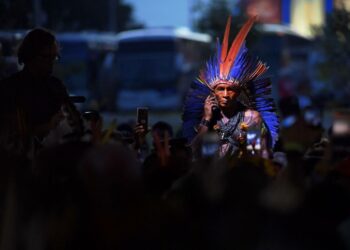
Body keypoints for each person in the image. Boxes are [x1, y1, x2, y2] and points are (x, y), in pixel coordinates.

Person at [182, 16, 279, 159]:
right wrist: (207, 119)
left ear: (238, 92)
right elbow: (192, 152)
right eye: (221, 89)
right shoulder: (205, 118)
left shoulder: (251, 117)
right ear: (213, 92)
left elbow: (256, 153)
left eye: (231, 89)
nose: (226, 94)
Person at [0, 28, 79, 157]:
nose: (51, 62)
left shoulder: (56, 86)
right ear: (29, 55)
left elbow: (73, 121)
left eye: (54, 57)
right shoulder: (9, 89)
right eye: (45, 57)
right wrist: (49, 126)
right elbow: (10, 137)